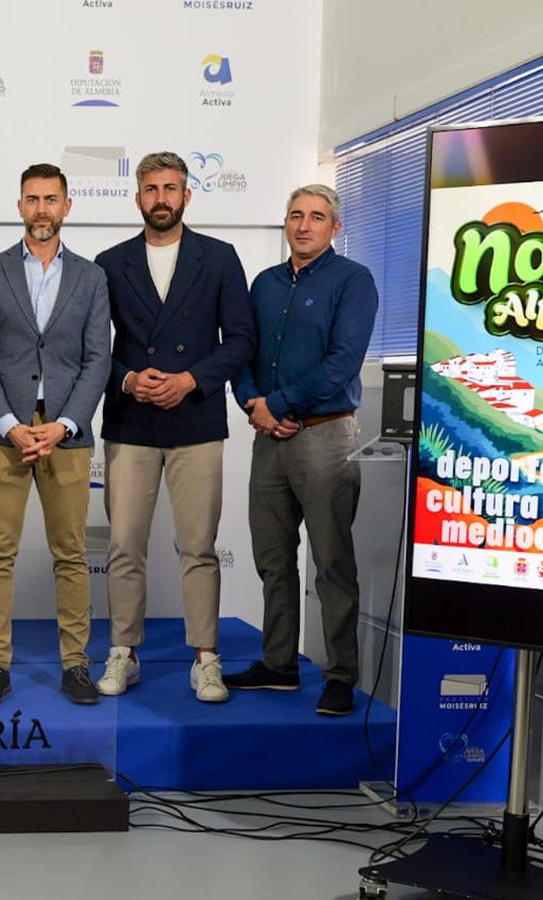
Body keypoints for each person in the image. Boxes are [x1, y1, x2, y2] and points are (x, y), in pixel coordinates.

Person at [93, 152, 256, 703]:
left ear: (187, 195)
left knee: (199, 546)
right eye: (150, 188)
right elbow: (94, 350)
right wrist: (130, 378)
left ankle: (206, 658)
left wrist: (190, 379)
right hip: (132, 420)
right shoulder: (109, 263)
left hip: (196, 417)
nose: (160, 197)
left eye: (171, 187)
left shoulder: (219, 257)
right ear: (137, 196)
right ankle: (123, 650)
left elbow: (239, 340)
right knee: (123, 544)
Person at [0, 163, 111, 706]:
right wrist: (10, 424)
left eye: (51, 199)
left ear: (67, 206)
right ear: (18, 206)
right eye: (32, 199)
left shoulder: (92, 278)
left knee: (70, 554)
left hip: (66, 434)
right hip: (4, 434)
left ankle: (76, 664)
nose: (42, 208)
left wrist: (64, 423)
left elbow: (99, 359)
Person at [225, 185, 378, 717]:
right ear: (285, 223)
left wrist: (281, 404)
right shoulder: (264, 284)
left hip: (325, 435)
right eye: (296, 216)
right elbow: (241, 351)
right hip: (268, 436)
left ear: (335, 228)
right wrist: (252, 403)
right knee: (272, 559)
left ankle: (339, 675)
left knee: (332, 561)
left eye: (317, 217)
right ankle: (279, 664)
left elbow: (343, 361)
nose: (304, 225)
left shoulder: (353, 281)